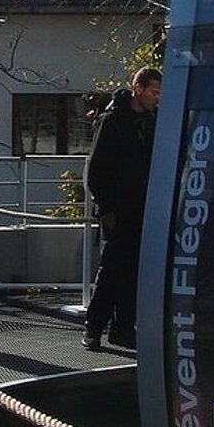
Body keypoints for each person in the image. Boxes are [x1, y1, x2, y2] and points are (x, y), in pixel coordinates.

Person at [82, 66, 162, 350]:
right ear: (138, 89)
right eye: (154, 92)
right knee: (113, 269)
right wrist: (107, 209)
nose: (157, 98)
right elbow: (97, 170)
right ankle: (94, 326)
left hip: (140, 207)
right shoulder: (113, 121)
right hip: (119, 209)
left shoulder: (149, 122)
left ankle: (123, 327)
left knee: (132, 270)